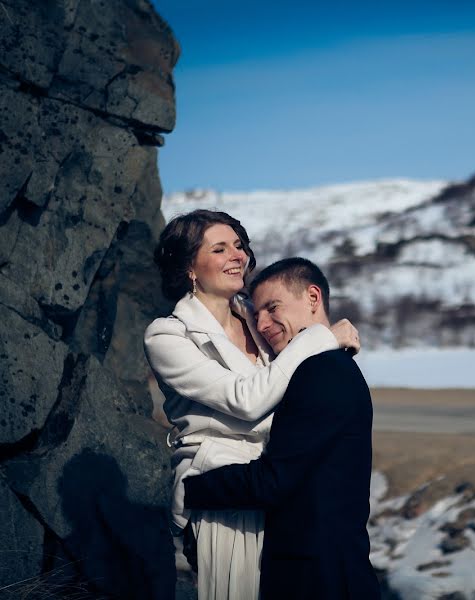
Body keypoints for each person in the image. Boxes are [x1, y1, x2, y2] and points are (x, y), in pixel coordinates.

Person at [144, 210, 360, 600]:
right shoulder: (167, 335)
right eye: (220, 248)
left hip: (275, 488)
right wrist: (320, 336)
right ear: (189, 265)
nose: (237, 256)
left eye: (240, 246)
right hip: (223, 494)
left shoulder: (257, 319)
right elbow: (245, 401)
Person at [183, 257, 380, 600]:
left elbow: (273, 481)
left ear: (313, 298)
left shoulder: (322, 372)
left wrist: (190, 488)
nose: (262, 323)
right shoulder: (322, 366)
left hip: (320, 579)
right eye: (256, 314)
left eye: (273, 307)